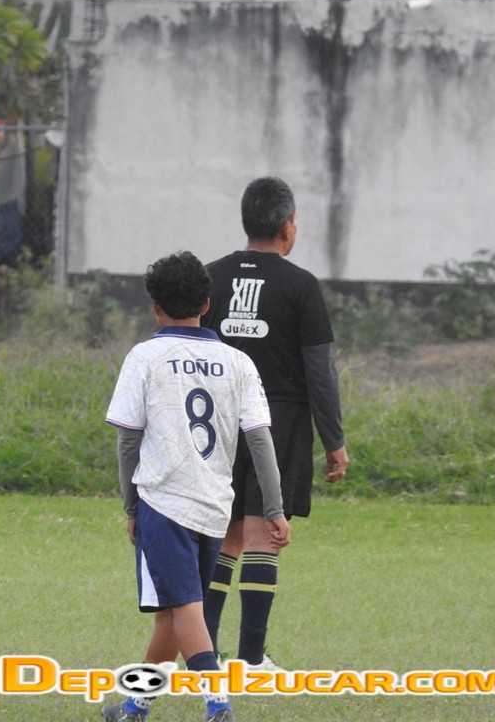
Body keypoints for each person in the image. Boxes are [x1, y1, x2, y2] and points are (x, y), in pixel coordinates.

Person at [103, 251, 290, 722]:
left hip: (163, 502)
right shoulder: (238, 362)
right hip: (214, 506)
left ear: (155, 307)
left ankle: (218, 704)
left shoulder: (145, 357)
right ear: (207, 305)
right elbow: (260, 440)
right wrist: (274, 507)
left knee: (185, 606)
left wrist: (131, 507)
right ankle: (135, 707)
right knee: (173, 612)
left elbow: (128, 441)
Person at [201, 176, 349, 670]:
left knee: (224, 537)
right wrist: (334, 440)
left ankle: (204, 656)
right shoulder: (300, 285)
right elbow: (320, 371)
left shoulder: (210, 278)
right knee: (264, 535)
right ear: (287, 226)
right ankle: (250, 659)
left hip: (217, 422)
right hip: (278, 421)